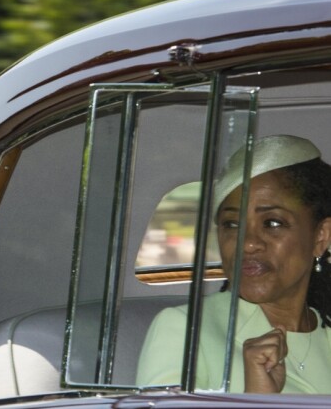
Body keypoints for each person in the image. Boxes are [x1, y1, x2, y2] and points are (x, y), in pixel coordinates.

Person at [136, 134, 331, 394]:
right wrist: (257, 399)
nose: (248, 244)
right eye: (231, 224)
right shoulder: (186, 331)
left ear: (321, 237)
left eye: (272, 223)